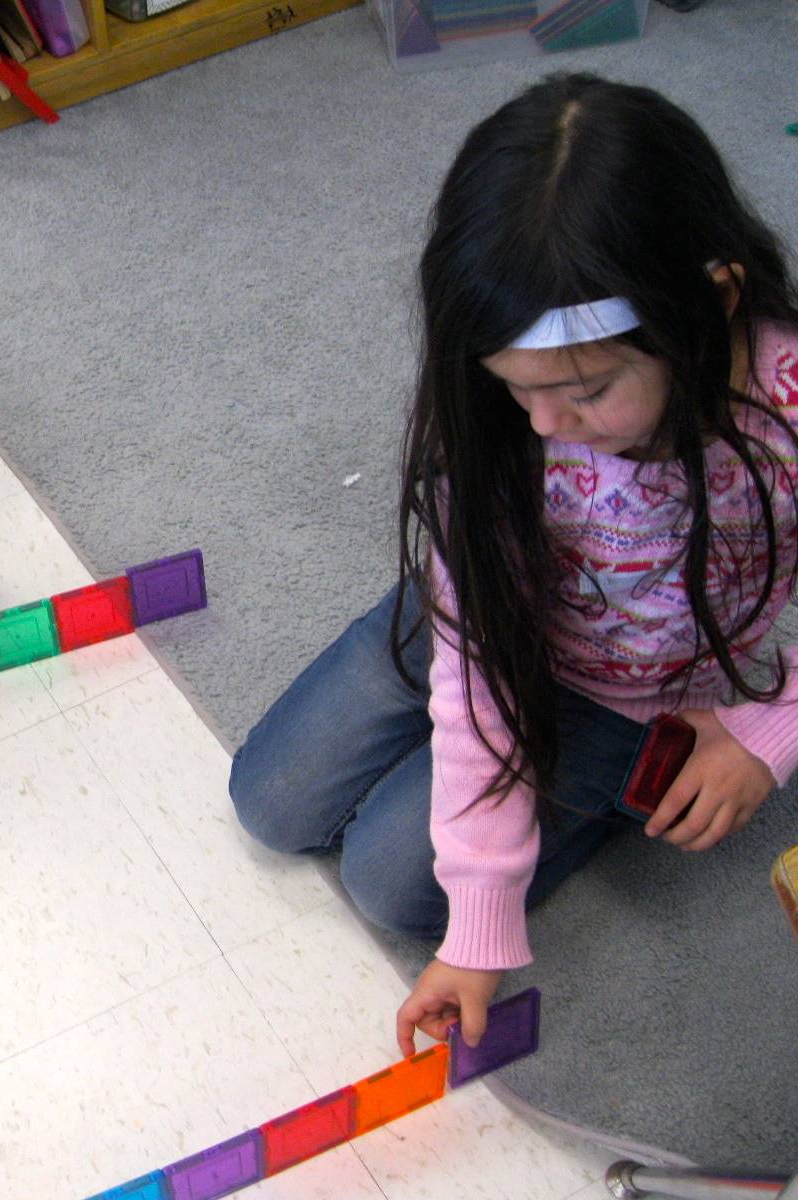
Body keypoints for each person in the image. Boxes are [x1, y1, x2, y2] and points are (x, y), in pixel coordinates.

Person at [229, 74, 798, 1055]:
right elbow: (476, 682)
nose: (542, 426)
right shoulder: (507, 423)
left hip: (633, 700)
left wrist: (766, 728)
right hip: (485, 614)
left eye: (583, 391)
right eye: (514, 390)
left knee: (388, 884)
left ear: (715, 302)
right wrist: (485, 900)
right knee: (269, 802)